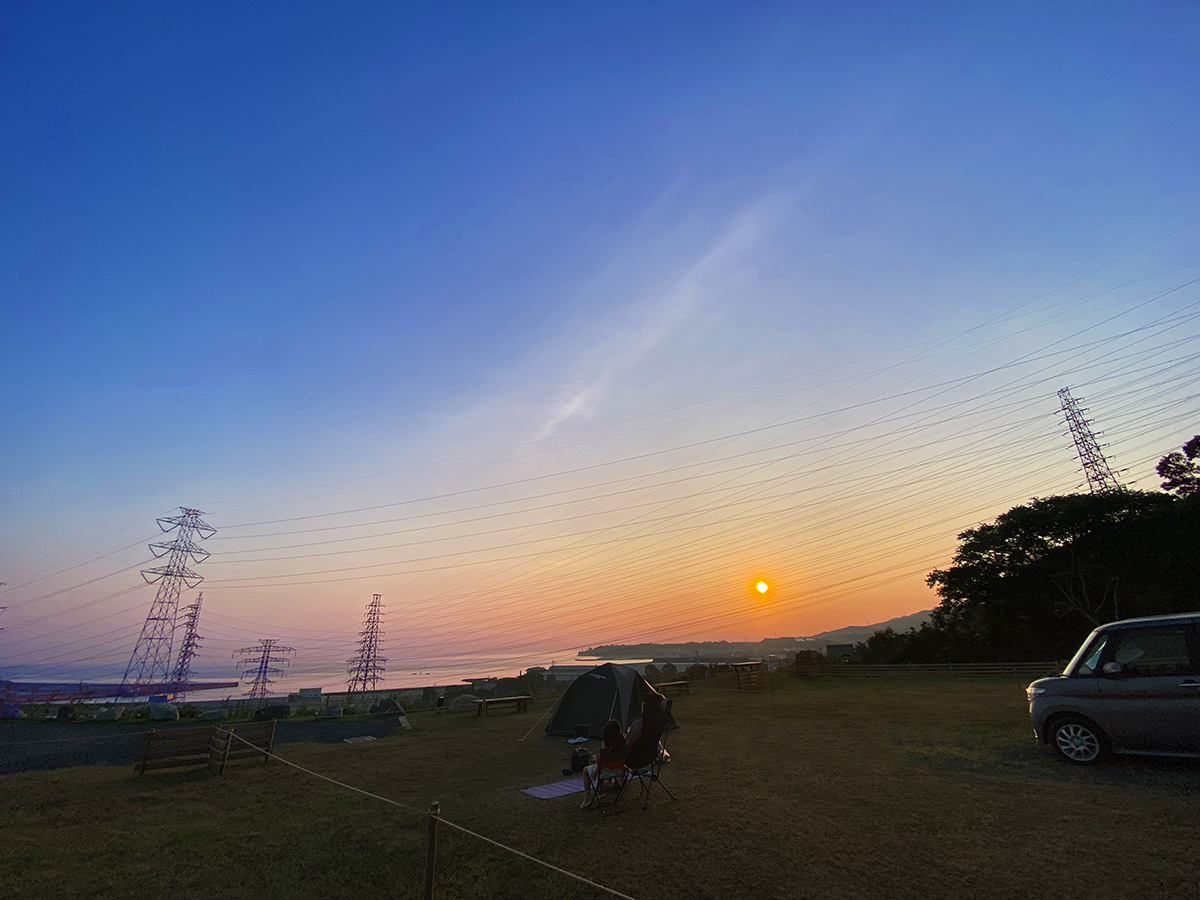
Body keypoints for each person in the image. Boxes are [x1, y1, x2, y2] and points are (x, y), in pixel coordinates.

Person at [581, 719, 626, 808]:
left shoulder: (607, 748)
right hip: (620, 770)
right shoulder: (624, 744)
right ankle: (600, 791)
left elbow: (601, 764)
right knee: (600, 766)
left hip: (608, 771)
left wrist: (595, 772)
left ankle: (587, 796)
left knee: (586, 770)